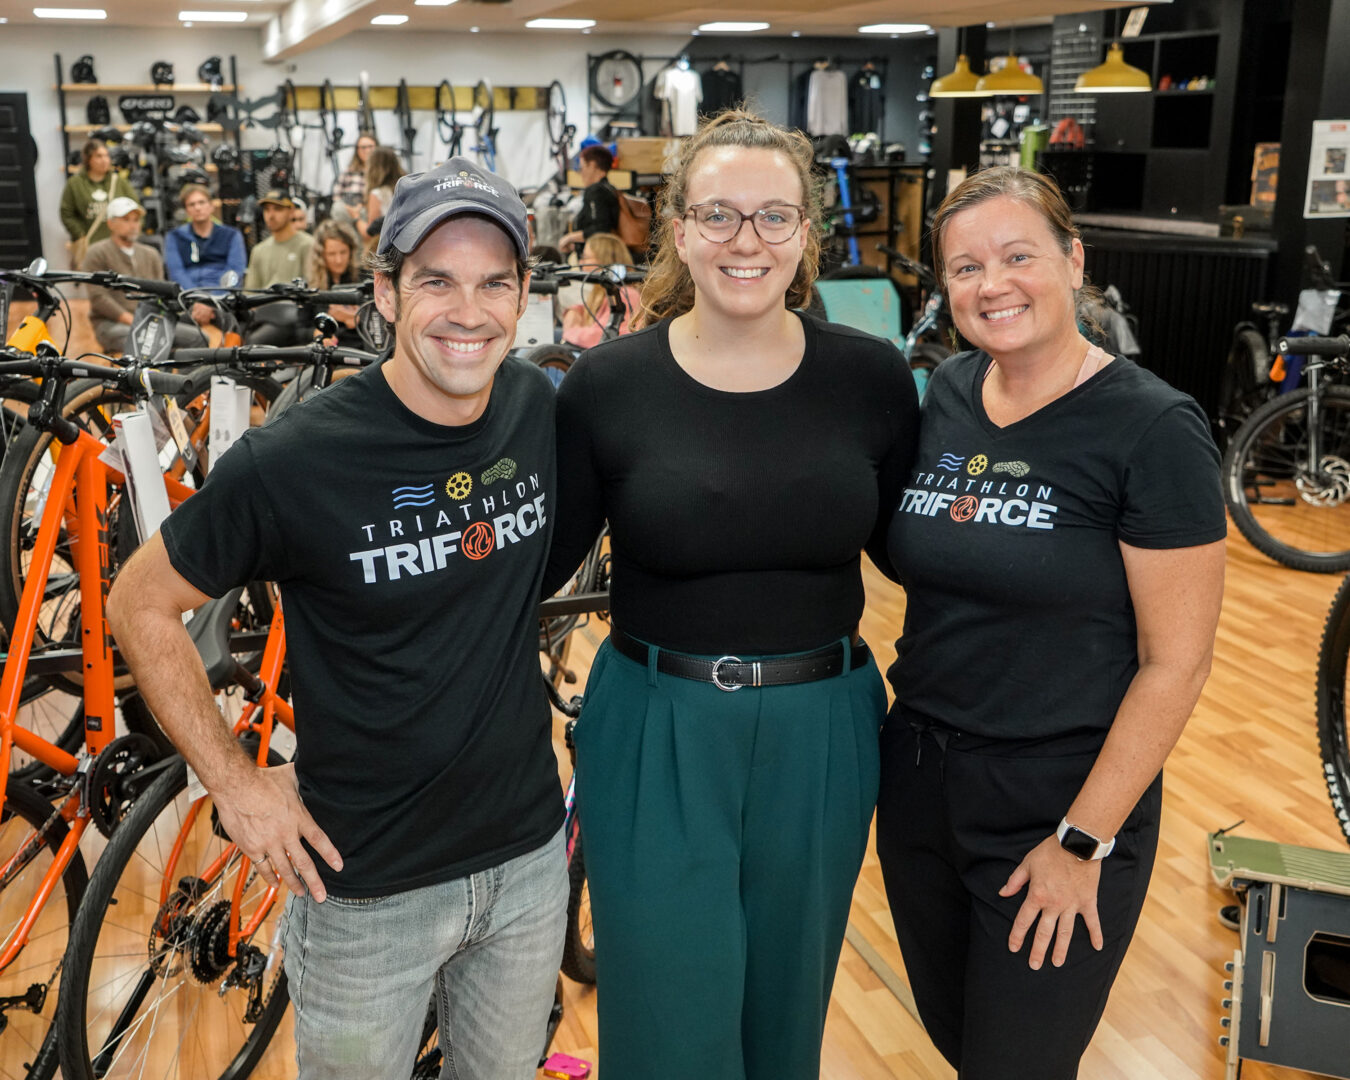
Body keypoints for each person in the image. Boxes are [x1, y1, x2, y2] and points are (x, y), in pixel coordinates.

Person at [105, 156, 566, 1079]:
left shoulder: (535, 407)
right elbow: (138, 603)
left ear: (521, 299)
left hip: (525, 865)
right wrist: (232, 783)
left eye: (493, 284)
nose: (467, 312)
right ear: (384, 293)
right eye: (436, 281)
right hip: (364, 892)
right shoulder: (296, 458)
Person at [543, 110, 919, 1079]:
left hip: (825, 727)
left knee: (787, 1011)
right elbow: (535, 569)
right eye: (717, 215)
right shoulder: (608, 385)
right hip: (657, 726)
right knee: (668, 1014)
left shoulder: (871, 380)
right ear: (676, 232)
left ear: (805, 236)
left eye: (771, 217)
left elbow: (927, 554)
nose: (744, 241)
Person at [874, 165, 1226, 1080]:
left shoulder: (1153, 428)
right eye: (964, 268)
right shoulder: (948, 392)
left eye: (1017, 255)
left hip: (1059, 801)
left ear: (1075, 262)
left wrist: (1082, 841)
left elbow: (1176, 664)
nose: (992, 285)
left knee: (1016, 1064)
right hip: (920, 782)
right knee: (961, 1044)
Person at [80, 196, 203, 354]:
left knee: (199, 337)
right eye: (126, 220)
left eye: (136, 220)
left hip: (151, 320)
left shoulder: (150, 254)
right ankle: (152, 377)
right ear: (111, 223)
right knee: (150, 344)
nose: (133, 226)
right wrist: (135, 321)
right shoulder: (97, 253)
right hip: (110, 324)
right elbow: (99, 299)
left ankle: (184, 379)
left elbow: (161, 291)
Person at [163, 183, 247, 333]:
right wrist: (197, 301)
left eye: (202, 202)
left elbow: (235, 272)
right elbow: (176, 273)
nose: (197, 207)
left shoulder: (231, 235)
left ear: (211, 206)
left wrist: (213, 302)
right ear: (186, 210)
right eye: (192, 204)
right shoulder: (175, 237)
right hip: (188, 300)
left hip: (223, 299)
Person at [560, 231, 640, 348]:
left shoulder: (625, 294)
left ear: (603, 261)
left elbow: (602, 336)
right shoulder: (601, 292)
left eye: (585, 258)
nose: (581, 263)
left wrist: (571, 331)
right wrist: (575, 311)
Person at [60, 138, 138, 253]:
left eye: (106, 156)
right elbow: (66, 213)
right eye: (98, 156)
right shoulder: (75, 183)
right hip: (89, 246)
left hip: (118, 246)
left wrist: (128, 234)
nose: (104, 160)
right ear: (88, 159)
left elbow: (136, 209)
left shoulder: (119, 182)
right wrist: (80, 234)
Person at [306, 217, 364, 346]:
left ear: (351, 250)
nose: (338, 260)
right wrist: (316, 333)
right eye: (331, 254)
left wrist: (355, 319)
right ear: (321, 255)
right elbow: (298, 330)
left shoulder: (364, 281)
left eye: (343, 252)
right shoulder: (312, 286)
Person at [244, 189, 315, 289]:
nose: (271, 215)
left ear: (291, 211)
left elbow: (314, 287)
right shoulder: (258, 251)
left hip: (295, 303)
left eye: (277, 209)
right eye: (266, 209)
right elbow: (250, 293)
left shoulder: (308, 244)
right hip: (265, 303)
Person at [557, 145, 619, 254]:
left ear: (592, 166)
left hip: (597, 257)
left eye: (582, 168)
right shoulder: (610, 189)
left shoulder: (595, 191)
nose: (581, 174)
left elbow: (600, 230)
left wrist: (569, 238)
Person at [358, 147, 406, 249]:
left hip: (384, 248)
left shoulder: (377, 194)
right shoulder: (404, 189)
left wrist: (355, 218)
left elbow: (370, 233)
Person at [332, 132, 377, 224]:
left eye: (370, 147)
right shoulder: (349, 172)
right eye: (363, 147)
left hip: (368, 208)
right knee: (337, 209)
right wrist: (350, 209)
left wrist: (362, 207)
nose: (367, 150)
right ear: (357, 150)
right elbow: (337, 195)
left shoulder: (382, 172)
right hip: (347, 208)